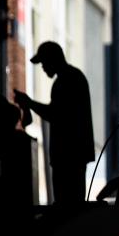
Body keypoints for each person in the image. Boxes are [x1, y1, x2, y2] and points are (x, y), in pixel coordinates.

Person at [14, 41, 95, 203]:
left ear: (52, 60)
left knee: (67, 207)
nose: (43, 68)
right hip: (73, 157)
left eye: (44, 63)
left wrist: (29, 103)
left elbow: (55, 114)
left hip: (68, 158)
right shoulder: (73, 77)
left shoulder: (66, 81)